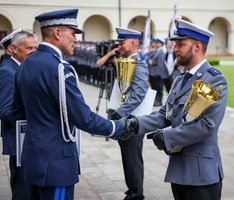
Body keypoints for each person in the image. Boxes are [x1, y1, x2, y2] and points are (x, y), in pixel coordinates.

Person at [11, 9, 131, 200]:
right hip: (56, 163)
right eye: (73, 33)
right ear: (58, 33)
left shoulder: (26, 63)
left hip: (32, 158)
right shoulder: (59, 68)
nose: (76, 39)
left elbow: (16, 111)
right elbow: (83, 118)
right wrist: (117, 127)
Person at [126, 19, 227, 200]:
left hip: (201, 174)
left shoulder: (215, 79)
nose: (175, 49)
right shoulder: (181, 79)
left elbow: (207, 125)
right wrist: (136, 123)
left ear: (197, 46)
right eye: (175, 44)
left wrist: (166, 137)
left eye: (181, 44)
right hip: (179, 169)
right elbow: (165, 114)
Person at [108, 27, 148, 200]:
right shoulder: (125, 60)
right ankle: (132, 190)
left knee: (132, 158)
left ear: (133, 42)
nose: (119, 46)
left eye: (122, 42)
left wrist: (119, 112)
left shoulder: (138, 64)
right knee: (128, 156)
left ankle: (136, 194)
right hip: (125, 117)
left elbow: (139, 93)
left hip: (132, 119)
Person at [0, 29, 37, 200]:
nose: (33, 52)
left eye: (35, 48)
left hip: (25, 139)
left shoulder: (19, 67)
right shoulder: (7, 71)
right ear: (12, 49)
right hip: (18, 140)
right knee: (22, 189)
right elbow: (6, 111)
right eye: (29, 49)